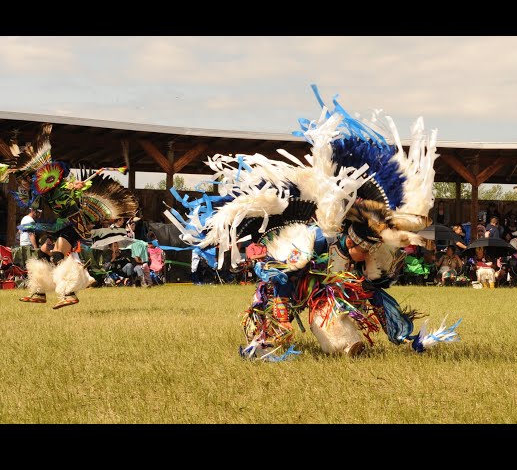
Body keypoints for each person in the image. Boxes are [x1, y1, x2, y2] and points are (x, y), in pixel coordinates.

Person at [162, 85, 462, 360]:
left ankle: (347, 345)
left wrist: (404, 336)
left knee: (330, 311)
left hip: (324, 289)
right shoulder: (313, 239)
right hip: (291, 280)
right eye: (364, 248)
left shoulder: (370, 259)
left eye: (371, 248)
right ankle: (266, 341)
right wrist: (274, 290)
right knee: (278, 307)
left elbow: (376, 295)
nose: (367, 253)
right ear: (351, 240)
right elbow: (276, 272)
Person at [7, 123, 138, 308]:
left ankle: (69, 293)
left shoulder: (57, 186)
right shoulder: (41, 192)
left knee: (58, 254)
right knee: (43, 254)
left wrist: (73, 187)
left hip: (74, 224)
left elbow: (67, 191)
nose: (22, 183)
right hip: (60, 224)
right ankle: (39, 292)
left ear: (32, 177)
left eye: (24, 179)